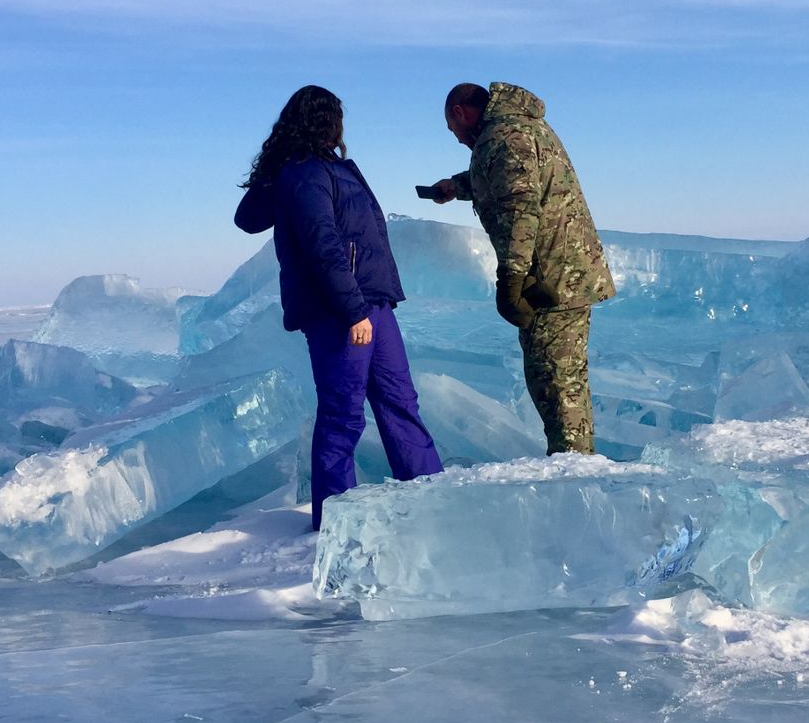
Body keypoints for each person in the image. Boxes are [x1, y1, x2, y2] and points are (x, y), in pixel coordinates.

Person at [236, 85, 442, 529]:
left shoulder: (335, 168)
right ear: (324, 121)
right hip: (340, 310)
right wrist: (352, 311)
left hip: (374, 302)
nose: (340, 127)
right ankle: (335, 523)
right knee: (343, 413)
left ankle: (431, 497)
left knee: (401, 401)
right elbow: (321, 244)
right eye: (336, 118)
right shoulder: (304, 172)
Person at [430, 83, 615, 455]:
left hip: (552, 279)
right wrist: (459, 186)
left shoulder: (504, 135)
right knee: (564, 379)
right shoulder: (517, 128)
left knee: (555, 382)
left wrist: (511, 279)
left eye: (453, 130)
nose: (457, 138)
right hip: (565, 272)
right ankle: (575, 461)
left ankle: (573, 472)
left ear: (460, 113)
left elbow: (521, 207)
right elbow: (512, 179)